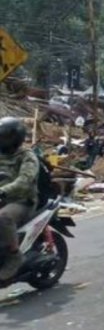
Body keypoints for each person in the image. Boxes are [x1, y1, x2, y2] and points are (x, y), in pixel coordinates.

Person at [0, 118, 40, 280]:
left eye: (4, 137)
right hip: (3, 198)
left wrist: (3, 191)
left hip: (21, 201)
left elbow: (24, 182)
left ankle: (14, 255)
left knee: (3, 217)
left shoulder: (27, 156)